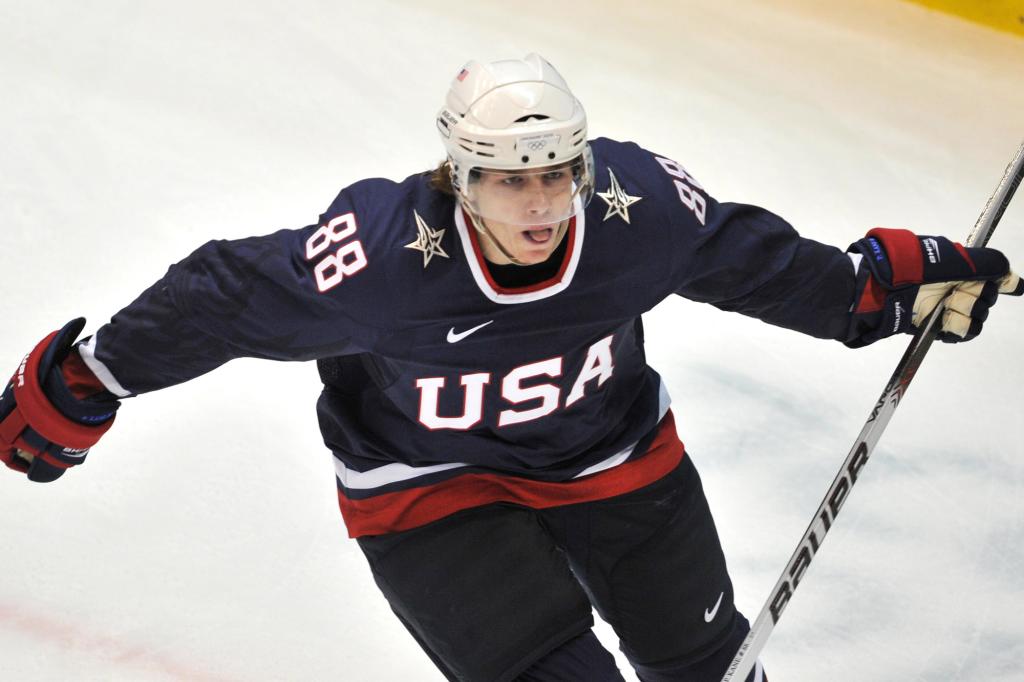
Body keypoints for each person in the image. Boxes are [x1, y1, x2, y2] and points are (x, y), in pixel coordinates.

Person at [1, 53, 1020, 682]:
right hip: (427, 489)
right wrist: (87, 380)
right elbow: (221, 295)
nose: (538, 204)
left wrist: (871, 291)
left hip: (613, 457)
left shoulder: (637, 212)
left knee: (709, 666)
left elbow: (753, 262)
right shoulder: (381, 259)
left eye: (555, 175)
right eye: (506, 179)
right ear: (458, 174)